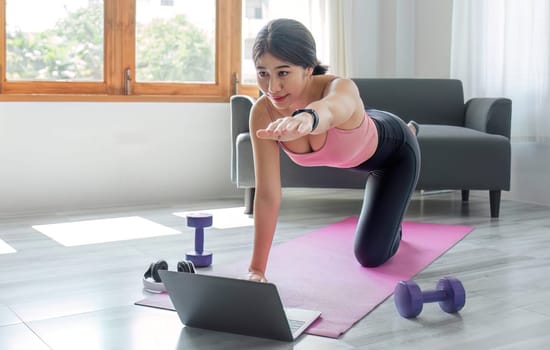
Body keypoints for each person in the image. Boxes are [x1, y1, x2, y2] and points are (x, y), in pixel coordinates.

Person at [247, 18, 420, 282]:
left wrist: (307, 119)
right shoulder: (263, 112)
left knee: (370, 256)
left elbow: (328, 110)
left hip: (395, 151)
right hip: (362, 134)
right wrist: (256, 270)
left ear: (308, 68)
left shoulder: (340, 89)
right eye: (262, 73)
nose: (272, 88)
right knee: (359, 121)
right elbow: (268, 195)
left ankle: (410, 132)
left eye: (283, 73)